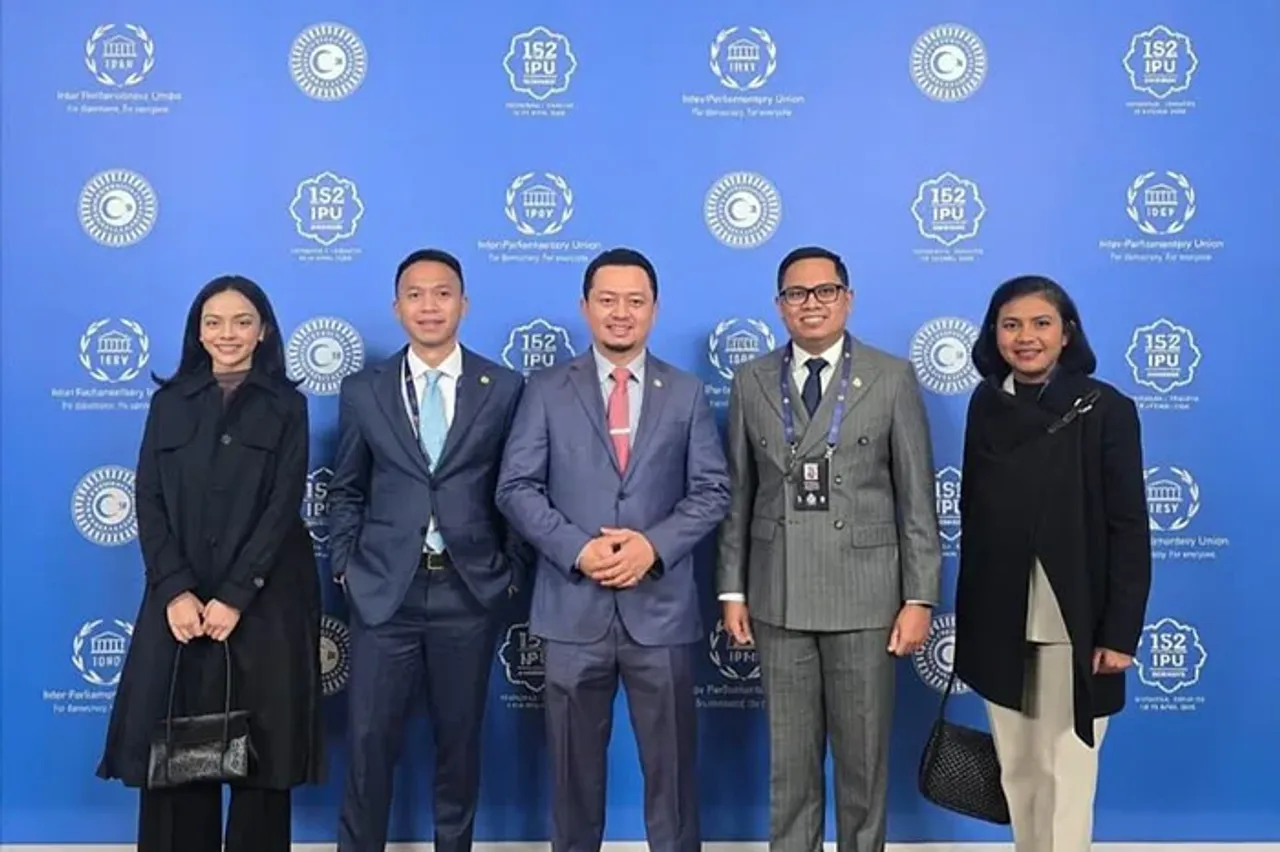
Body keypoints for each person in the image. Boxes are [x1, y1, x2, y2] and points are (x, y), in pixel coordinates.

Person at [495, 247, 730, 852]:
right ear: (585, 307)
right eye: (607, 300)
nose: (621, 313)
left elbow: (712, 490)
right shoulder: (546, 389)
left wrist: (652, 547)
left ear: (654, 309)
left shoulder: (686, 393)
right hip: (573, 609)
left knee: (672, 776)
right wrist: (578, 550)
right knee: (572, 775)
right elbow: (516, 488)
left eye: (634, 301)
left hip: (661, 611)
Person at [716, 246, 941, 852]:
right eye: (796, 293)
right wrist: (732, 589)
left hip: (867, 597)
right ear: (779, 305)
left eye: (825, 291)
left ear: (848, 299)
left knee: (863, 763)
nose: (810, 304)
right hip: (779, 592)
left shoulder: (891, 377)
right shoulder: (750, 380)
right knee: (789, 763)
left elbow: (917, 500)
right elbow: (739, 494)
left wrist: (919, 597)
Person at [96, 275, 323, 852]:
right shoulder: (169, 402)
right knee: (177, 762)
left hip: (264, 603)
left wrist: (237, 595)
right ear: (197, 332)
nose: (228, 334)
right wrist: (174, 590)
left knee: (263, 764)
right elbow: (148, 497)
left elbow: (282, 506)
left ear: (263, 331)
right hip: (181, 605)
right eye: (214, 322)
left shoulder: (287, 406)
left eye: (242, 322)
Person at [328, 248, 532, 852]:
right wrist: (344, 566)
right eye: (415, 294)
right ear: (397, 308)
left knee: (459, 744)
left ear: (463, 304)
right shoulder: (364, 390)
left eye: (442, 293)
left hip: (467, 591)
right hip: (383, 591)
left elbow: (517, 488)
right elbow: (346, 488)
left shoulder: (504, 387)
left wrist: (511, 571)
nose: (429, 306)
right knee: (368, 745)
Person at [953, 274, 1151, 852]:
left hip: (1077, 621)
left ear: (1067, 334)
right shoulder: (985, 405)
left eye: (1041, 324)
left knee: (1069, 772)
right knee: (1018, 772)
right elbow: (973, 512)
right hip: (999, 618)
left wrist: (1119, 632)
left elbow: (1129, 528)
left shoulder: (1107, 408)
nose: (1026, 337)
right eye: (1011, 325)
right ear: (994, 335)